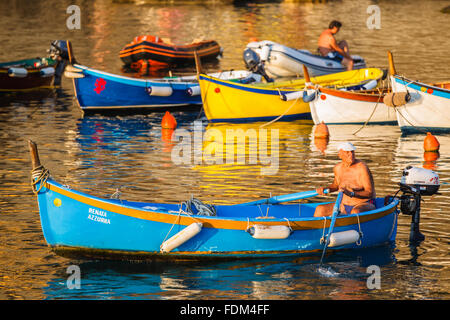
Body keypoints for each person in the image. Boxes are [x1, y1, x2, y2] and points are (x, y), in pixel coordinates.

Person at [314, 142, 376, 217]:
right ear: (339, 155)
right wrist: (325, 189)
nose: (351, 154)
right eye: (347, 152)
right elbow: (336, 185)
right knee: (320, 209)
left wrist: (351, 194)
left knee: (355, 212)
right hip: (343, 206)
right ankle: (315, 229)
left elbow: (369, 192)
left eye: (352, 151)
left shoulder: (362, 167)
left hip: (363, 204)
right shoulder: (337, 168)